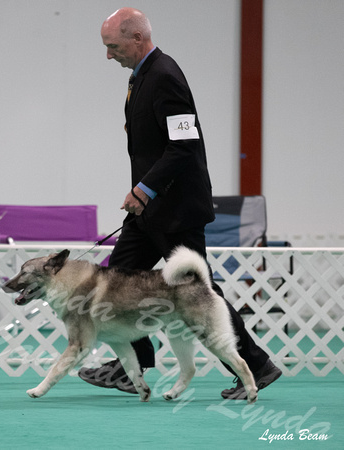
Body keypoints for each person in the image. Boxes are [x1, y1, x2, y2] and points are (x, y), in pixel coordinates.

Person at [78, 8, 281, 400]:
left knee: (198, 294)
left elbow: (183, 146)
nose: (109, 56)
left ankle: (256, 366)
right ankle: (129, 366)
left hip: (174, 210)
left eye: (113, 47)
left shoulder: (165, 76)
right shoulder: (142, 78)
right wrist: (143, 195)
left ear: (137, 38)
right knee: (116, 283)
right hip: (148, 211)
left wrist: (144, 189)